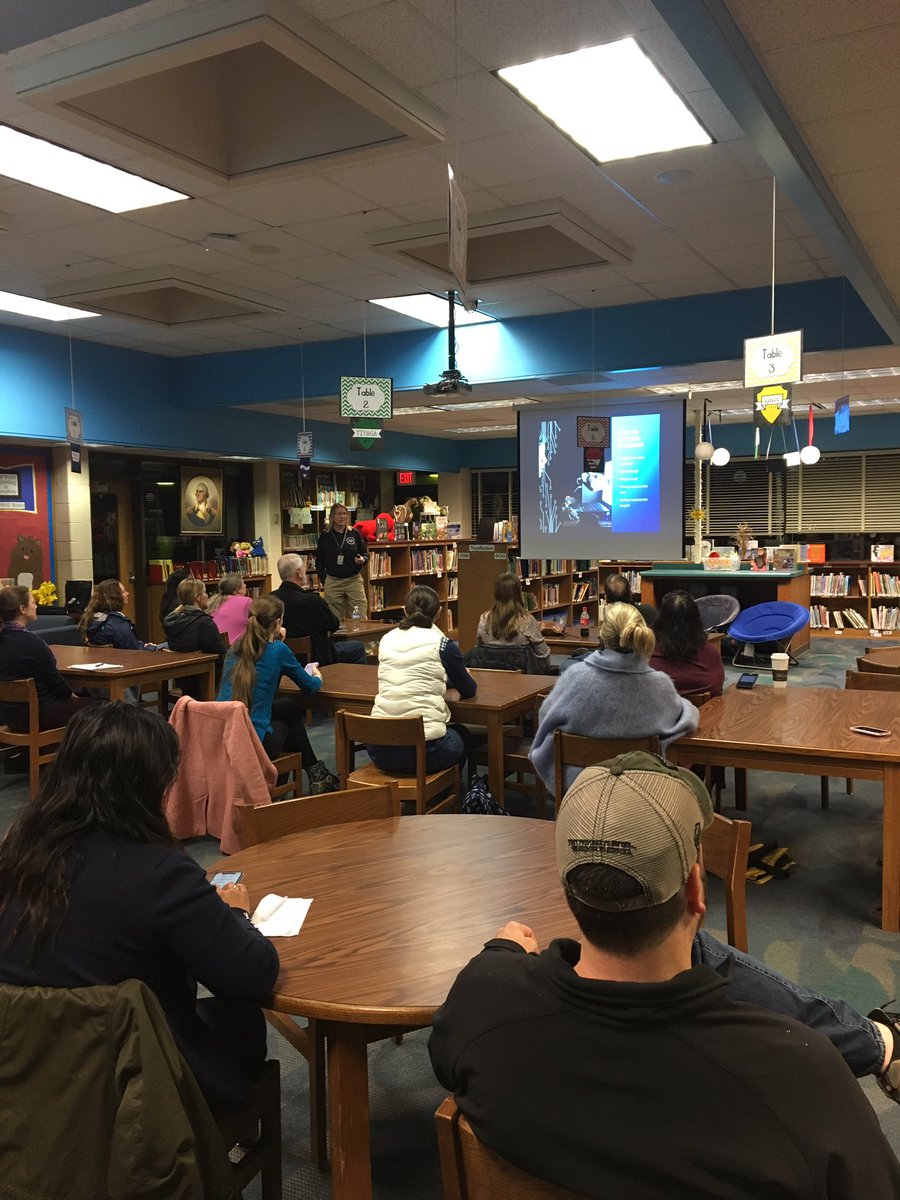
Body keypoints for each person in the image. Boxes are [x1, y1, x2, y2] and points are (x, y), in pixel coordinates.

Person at [429, 753, 900, 1199]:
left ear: (567, 888)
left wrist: (503, 951)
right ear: (697, 888)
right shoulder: (802, 1079)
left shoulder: (481, 1002)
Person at [0, 702, 279, 1117]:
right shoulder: (160, 875)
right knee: (241, 1018)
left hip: (30, 1077)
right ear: (152, 785)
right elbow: (253, 977)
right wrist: (235, 913)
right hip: (137, 1090)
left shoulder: (16, 854)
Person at [530, 602, 697, 795]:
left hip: (580, 790)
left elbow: (546, 718)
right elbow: (684, 718)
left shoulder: (574, 677)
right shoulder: (661, 685)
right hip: (642, 793)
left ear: (602, 636)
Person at [217, 594, 339, 794]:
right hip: (252, 741)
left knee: (288, 707)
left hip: (225, 733)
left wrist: (274, 639)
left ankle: (315, 775)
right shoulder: (278, 650)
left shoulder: (235, 647)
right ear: (277, 622)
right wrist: (317, 676)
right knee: (286, 725)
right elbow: (309, 686)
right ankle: (288, 787)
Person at [368, 585, 476, 775]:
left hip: (379, 748)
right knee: (463, 735)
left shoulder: (386, 640)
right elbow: (469, 690)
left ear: (404, 610)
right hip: (424, 751)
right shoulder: (444, 645)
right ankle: (444, 792)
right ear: (439, 613)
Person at [0, 584, 95, 731]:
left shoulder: (5, 639)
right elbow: (56, 684)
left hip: (10, 716)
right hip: (41, 714)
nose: (36, 606)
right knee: (102, 705)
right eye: (33, 602)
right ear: (22, 609)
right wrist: (73, 696)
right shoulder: (31, 643)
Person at [271, 553, 366, 666]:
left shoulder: (270, 600)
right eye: (304, 569)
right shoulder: (313, 601)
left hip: (282, 658)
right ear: (299, 572)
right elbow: (333, 624)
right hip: (318, 657)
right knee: (358, 647)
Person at [650, 589, 725, 696]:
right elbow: (716, 688)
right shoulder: (710, 652)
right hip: (702, 710)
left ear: (661, 618)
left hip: (658, 710)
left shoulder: (647, 650)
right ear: (696, 618)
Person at [472, 572, 551, 673]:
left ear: (496, 593)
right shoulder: (526, 620)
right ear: (518, 593)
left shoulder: (484, 618)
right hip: (522, 679)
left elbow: (479, 645)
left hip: (490, 674)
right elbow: (543, 653)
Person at [162, 577, 225, 697]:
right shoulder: (203, 622)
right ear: (197, 597)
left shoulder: (172, 619)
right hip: (203, 678)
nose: (207, 595)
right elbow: (219, 650)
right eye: (205, 592)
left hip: (182, 678)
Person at [315, 502, 369, 623]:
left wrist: (362, 560)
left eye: (345, 513)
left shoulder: (354, 533)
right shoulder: (325, 537)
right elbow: (319, 561)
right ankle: (338, 642)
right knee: (334, 619)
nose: (342, 516)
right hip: (333, 581)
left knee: (359, 615)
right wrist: (325, 580)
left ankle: (362, 641)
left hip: (353, 580)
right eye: (339, 513)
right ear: (332, 516)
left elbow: (365, 555)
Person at [81, 578, 158, 650]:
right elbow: (133, 650)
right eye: (124, 592)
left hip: (103, 661)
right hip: (129, 661)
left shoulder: (91, 619)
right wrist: (149, 648)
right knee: (166, 646)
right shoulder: (118, 624)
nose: (127, 593)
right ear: (115, 597)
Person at [207, 571, 252, 645]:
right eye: (243, 583)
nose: (245, 585)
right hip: (238, 649)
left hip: (216, 647)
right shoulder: (246, 601)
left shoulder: (212, 603)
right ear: (237, 589)